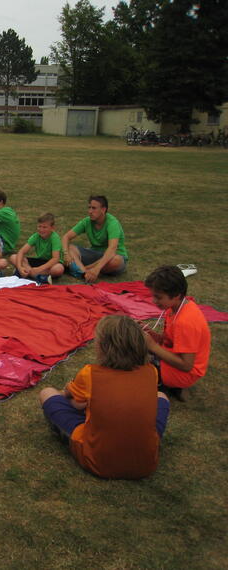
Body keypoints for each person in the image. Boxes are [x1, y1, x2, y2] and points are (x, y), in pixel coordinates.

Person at [38, 315, 170, 479]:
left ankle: (79, 440)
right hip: (145, 464)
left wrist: (73, 397)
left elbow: (73, 402)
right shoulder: (151, 372)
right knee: (161, 396)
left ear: (103, 347)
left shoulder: (91, 373)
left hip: (98, 461)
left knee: (48, 393)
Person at [141, 266, 211, 400]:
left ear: (177, 295)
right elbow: (170, 341)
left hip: (185, 373)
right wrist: (152, 335)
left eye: (158, 297)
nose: (153, 301)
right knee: (133, 344)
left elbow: (186, 365)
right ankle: (167, 384)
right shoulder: (175, 307)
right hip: (173, 358)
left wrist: (152, 346)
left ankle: (169, 385)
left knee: (131, 363)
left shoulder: (185, 322)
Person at [61, 195, 127, 282]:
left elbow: (112, 249)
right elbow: (66, 237)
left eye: (94, 208)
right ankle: (84, 273)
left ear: (103, 210)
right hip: (95, 254)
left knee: (116, 260)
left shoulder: (112, 223)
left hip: (112, 257)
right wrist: (66, 254)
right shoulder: (87, 221)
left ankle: (80, 269)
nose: (90, 211)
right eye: (89, 208)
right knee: (70, 248)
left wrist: (97, 268)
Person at [11, 213, 65, 284]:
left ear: (52, 228)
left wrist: (39, 269)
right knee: (13, 257)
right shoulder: (36, 236)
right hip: (39, 260)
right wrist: (19, 267)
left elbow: (55, 259)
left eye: (44, 227)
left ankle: (27, 272)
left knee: (58, 269)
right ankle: (37, 276)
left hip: (52, 263)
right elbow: (21, 251)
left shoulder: (55, 238)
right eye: (39, 226)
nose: (41, 230)